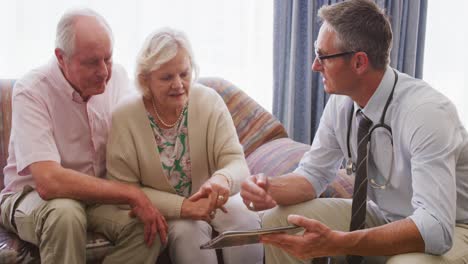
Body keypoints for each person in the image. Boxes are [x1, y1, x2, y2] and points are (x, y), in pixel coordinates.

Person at [240, 0, 468, 263]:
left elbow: (436, 228)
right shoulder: (342, 102)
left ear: (359, 62)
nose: (315, 66)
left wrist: (340, 242)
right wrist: (267, 188)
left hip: (455, 225)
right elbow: (312, 176)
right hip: (387, 217)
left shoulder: (427, 113)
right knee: (279, 220)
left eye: (323, 56)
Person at [0, 8, 168, 264]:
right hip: (30, 196)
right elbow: (49, 182)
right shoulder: (31, 90)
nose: (104, 72)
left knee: (150, 228)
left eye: (108, 59)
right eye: (91, 62)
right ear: (60, 57)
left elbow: (140, 143)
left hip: (96, 198)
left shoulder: (119, 79)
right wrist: (132, 194)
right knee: (65, 214)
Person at [106, 27, 263, 264]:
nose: (178, 84)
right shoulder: (125, 116)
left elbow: (236, 162)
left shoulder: (209, 100)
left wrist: (222, 180)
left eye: (184, 73)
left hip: (214, 201)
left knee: (245, 220)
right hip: (171, 211)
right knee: (187, 232)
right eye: (167, 77)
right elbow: (123, 190)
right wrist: (183, 207)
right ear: (145, 79)